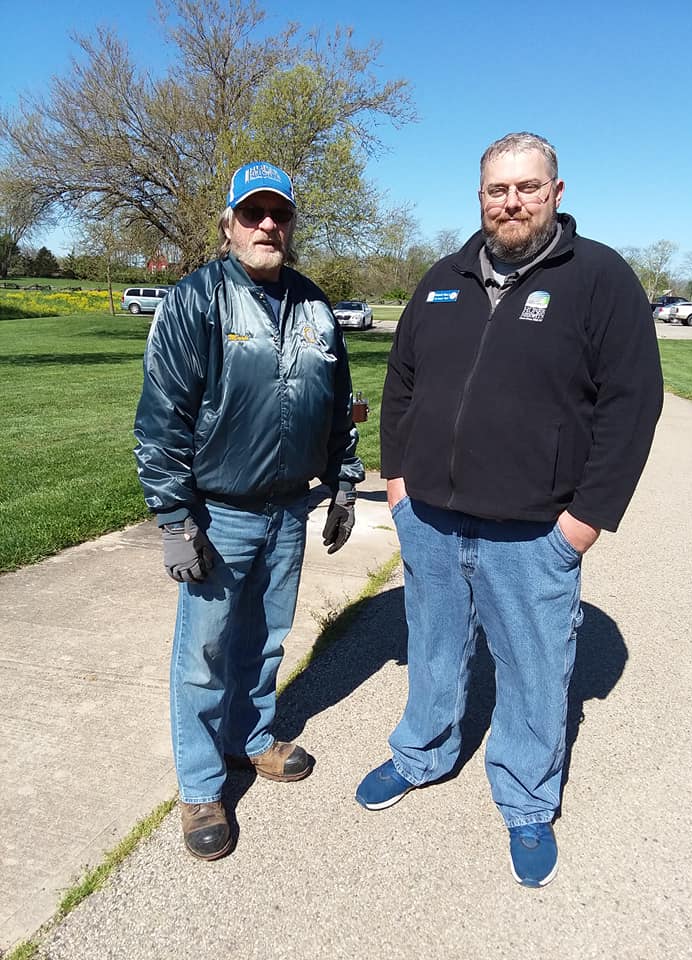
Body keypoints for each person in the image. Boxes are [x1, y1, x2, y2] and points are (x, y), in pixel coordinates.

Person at [355, 132, 663, 887]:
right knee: (433, 647)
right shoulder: (443, 278)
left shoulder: (600, 278)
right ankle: (421, 753)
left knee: (532, 667)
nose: (512, 202)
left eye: (528, 187)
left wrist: (584, 521)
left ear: (556, 192)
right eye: (498, 190)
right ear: (481, 198)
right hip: (430, 518)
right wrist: (397, 484)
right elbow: (402, 383)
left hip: (534, 531)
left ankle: (526, 797)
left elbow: (632, 404)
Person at [134, 161, 364, 860]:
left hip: (289, 509)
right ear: (229, 223)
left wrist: (344, 483)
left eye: (279, 214)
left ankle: (251, 738)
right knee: (204, 655)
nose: (267, 225)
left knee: (266, 638)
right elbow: (161, 418)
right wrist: (175, 519)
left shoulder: (316, 305)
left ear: (291, 223)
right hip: (219, 513)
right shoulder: (196, 300)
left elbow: (339, 404)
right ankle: (202, 786)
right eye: (252, 213)